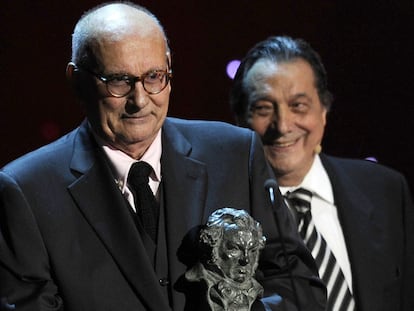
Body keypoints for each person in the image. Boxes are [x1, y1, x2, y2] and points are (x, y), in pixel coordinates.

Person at [0, 4, 327, 311]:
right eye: (119, 81)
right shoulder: (26, 190)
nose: (140, 100)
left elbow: (296, 285)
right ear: (77, 81)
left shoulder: (237, 153)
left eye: (154, 77)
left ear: (169, 69)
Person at [229, 35, 414, 311]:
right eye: (264, 109)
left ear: (324, 110)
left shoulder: (385, 188)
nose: (283, 126)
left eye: (298, 106)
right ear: (240, 120)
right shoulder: (225, 214)